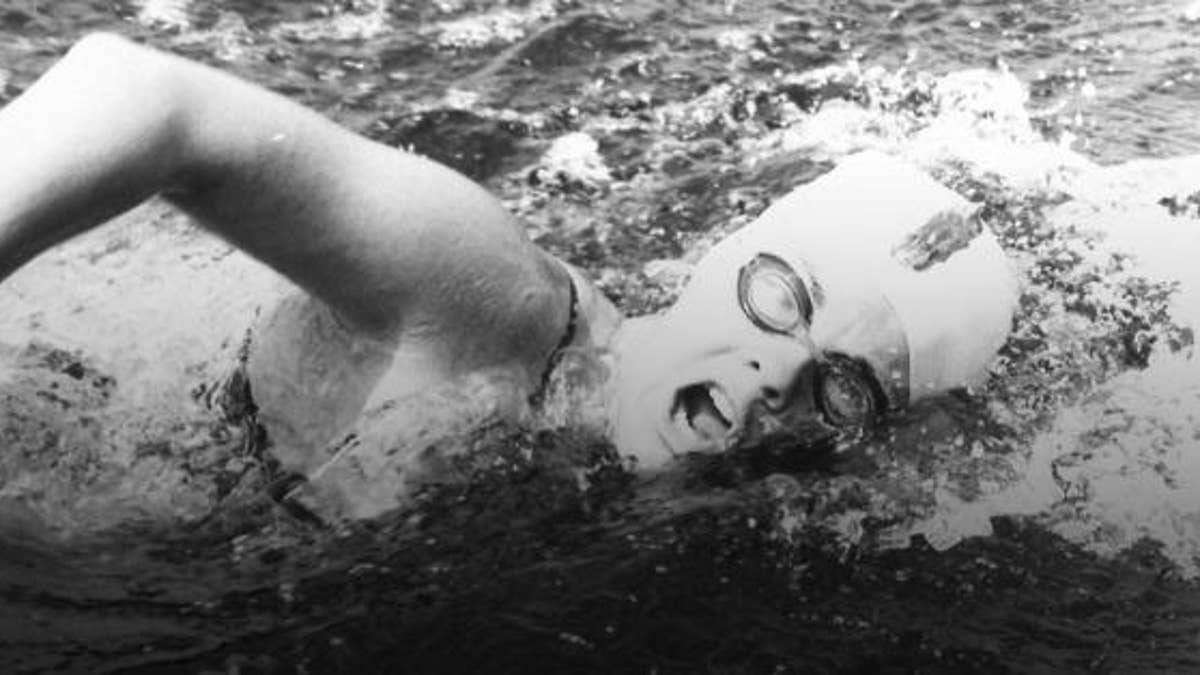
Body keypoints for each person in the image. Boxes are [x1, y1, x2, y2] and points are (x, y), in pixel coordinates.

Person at [0, 34, 1017, 525]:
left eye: (844, 385)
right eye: (782, 296)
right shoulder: (496, 305)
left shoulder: (678, 514)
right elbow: (141, 95)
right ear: (721, 256)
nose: (769, 376)